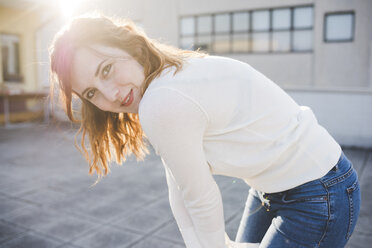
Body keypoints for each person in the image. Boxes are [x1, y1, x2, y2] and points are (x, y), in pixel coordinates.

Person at [49, 14, 361, 248]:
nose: (110, 95)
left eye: (106, 69)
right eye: (91, 93)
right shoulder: (165, 80)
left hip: (320, 192)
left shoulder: (162, 99)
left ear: (128, 43)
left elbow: (201, 198)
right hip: (278, 186)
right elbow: (181, 190)